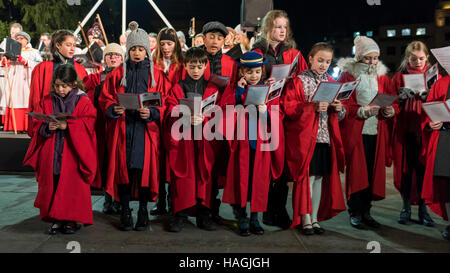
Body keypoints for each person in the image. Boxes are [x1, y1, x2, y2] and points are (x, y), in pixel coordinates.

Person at [99, 21, 169, 231]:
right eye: (133, 49)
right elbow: (106, 98)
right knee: (125, 171)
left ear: (147, 50)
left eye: (141, 49)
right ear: (128, 50)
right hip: (124, 128)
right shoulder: (118, 73)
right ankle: (126, 210)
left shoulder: (157, 74)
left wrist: (154, 113)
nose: (137, 53)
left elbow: (166, 101)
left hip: (146, 131)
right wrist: (113, 108)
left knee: (143, 171)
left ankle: (143, 211)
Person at [23, 64, 99, 235]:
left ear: (73, 84)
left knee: (71, 186)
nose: (60, 89)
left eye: (64, 85)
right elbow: (37, 124)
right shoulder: (47, 100)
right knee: (54, 182)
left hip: (73, 152)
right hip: (52, 150)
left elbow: (88, 124)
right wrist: (46, 126)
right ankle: (56, 218)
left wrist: (68, 126)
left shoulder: (83, 101)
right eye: (57, 85)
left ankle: (70, 220)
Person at [252, 10, 308, 229]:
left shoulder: (294, 54)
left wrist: (291, 80)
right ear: (268, 28)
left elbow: (304, 80)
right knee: (266, 162)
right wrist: (266, 80)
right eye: (277, 26)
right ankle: (265, 209)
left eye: (285, 27)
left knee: (284, 164)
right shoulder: (257, 51)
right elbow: (248, 76)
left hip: (289, 112)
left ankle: (280, 208)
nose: (282, 31)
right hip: (266, 112)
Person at [283, 43, 346, 235]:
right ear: (310, 58)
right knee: (308, 179)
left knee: (319, 178)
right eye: (320, 60)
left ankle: (315, 218)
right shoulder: (299, 81)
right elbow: (289, 107)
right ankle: (305, 218)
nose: (323, 64)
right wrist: (311, 107)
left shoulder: (332, 82)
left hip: (324, 137)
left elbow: (341, 117)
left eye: (327, 61)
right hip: (306, 138)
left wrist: (339, 108)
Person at [221, 51, 284, 236]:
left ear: (262, 71)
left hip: (261, 144)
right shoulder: (235, 89)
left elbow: (278, 116)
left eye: (257, 72)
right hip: (242, 143)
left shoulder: (270, 90)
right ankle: (241, 217)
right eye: (249, 72)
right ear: (242, 72)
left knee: (259, 183)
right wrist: (239, 93)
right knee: (242, 181)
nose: (254, 76)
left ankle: (255, 218)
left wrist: (265, 112)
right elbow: (226, 111)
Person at [337, 36, 397, 229]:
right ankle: (354, 211)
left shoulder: (382, 77)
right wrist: (361, 111)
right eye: (368, 58)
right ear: (359, 57)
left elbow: (392, 100)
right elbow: (343, 103)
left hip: (377, 132)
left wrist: (390, 110)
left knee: (371, 174)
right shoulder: (348, 76)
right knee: (357, 173)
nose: (372, 62)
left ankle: (366, 212)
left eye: (375, 58)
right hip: (358, 131)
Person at [164, 46, 221, 232]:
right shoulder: (178, 87)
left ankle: (204, 215)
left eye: (199, 66)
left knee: (205, 178)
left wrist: (205, 118)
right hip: (184, 140)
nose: (195, 70)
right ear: (185, 66)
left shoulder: (212, 88)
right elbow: (170, 110)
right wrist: (184, 117)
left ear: (206, 66)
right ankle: (178, 214)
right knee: (183, 179)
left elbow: (218, 112)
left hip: (205, 139)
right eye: (192, 66)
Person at [391, 41, 436, 226]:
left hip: (425, 130)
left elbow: (441, 100)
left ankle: (423, 211)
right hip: (405, 130)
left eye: (421, 58)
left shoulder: (433, 76)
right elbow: (390, 101)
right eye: (413, 58)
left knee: (424, 171)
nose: (417, 62)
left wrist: (428, 96)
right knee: (405, 170)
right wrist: (399, 99)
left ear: (427, 58)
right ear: (406, 58)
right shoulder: (399, 76)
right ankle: (406, 208)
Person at [200, 21, 238, 222]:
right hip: (197, 119)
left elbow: (233, 90)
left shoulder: (230, 63)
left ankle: (211, 207)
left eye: (219, 38)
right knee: (198, 165)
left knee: (216, 165)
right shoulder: (195, 59)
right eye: (211, 37)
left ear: (225, 40)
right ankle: (198, 207)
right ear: (203, 38)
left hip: (220, 120)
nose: (215, 41)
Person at [84, 43, 124, 215]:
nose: (113, 57)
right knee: (105, 162)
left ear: (122, 58)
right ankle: (108, 198)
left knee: (120, 164)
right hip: (100, 127)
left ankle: (120, 200)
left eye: (116, 55)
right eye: (109, 55)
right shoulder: (95, 79)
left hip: (120, 126)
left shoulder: (127, 77)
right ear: (104, 58)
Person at [150, 27, 185, 216]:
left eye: (169, 44)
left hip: (174, 116)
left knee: (173, 158)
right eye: (162, 43)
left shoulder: (182, 64)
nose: (165, 47)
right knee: (159, 159)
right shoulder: (153, 64)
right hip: (157, 115)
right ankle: (161, 200)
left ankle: (174, 201)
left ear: (176, 44)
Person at [29, 29, 88, 136]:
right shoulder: (42, 68)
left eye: (74, 45)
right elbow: (36, 98)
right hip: (48, 120)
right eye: (68, 45)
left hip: (72, 123)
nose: (73, 48)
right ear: (58, 45)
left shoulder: (80, 69)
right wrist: (39, 124)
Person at [421, 75, 450, 241]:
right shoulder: (442, 83)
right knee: (446, 183)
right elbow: (430, 110)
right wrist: (431, 122)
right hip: (445, 137)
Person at [1, 31, 42, 132]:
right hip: (14, 79)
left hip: (25, 80)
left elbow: (39, 65)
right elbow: (4, 66)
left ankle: (25, 126)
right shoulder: (11, 51)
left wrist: (26, 62)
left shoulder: (33, 52)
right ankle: (14, 126)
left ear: (27, 40)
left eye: (21, 38)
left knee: (25, 100)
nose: (19, 40)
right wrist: (5, 62)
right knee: (13, 100)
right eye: (17, 39)